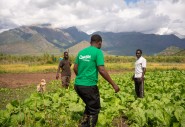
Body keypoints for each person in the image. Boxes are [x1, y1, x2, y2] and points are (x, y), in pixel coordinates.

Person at [73, 34, 120, 127]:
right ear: (99, 43)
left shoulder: (81, 52)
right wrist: (114, 84)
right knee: (94, 109)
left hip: (78, 85)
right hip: (89, 86)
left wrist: (82, 77)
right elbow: (101, 70)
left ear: (91, 42)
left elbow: (74, 68)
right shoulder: (98, 52)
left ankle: (83, 124)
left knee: (89, 105)